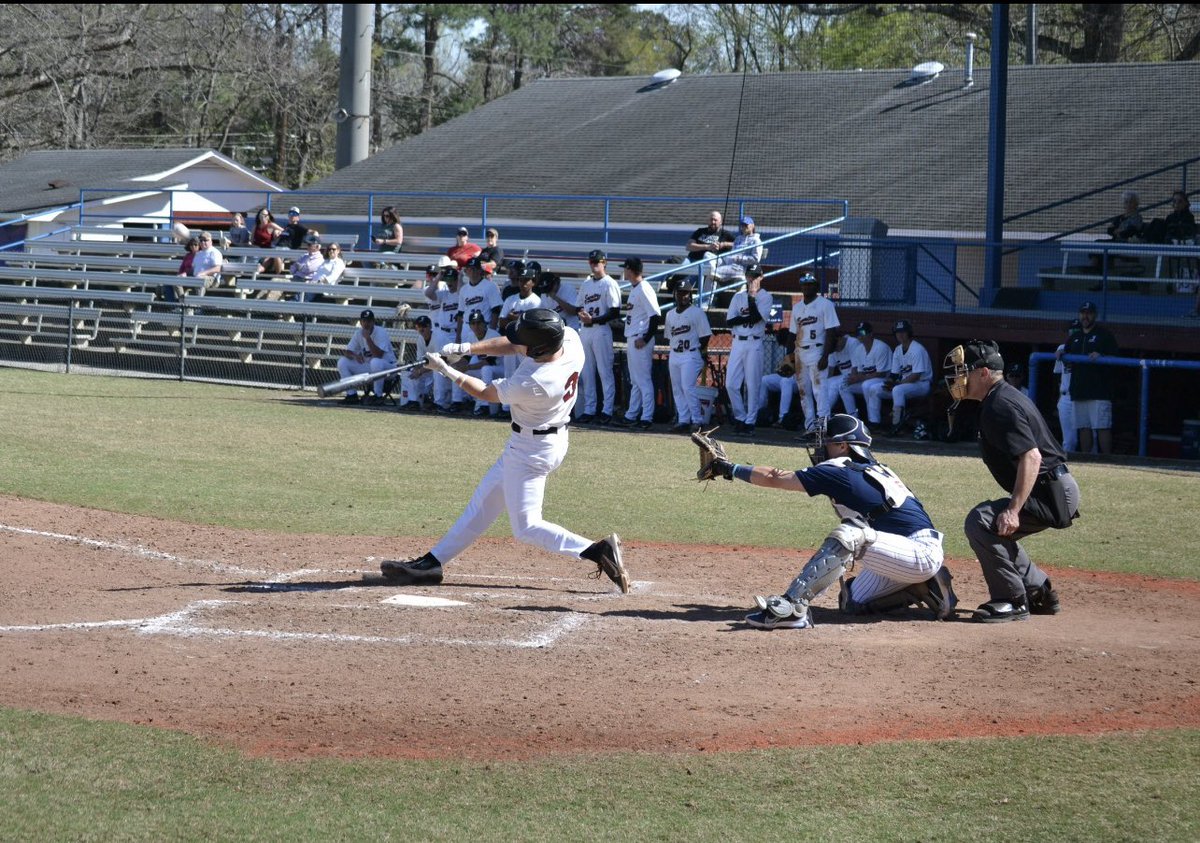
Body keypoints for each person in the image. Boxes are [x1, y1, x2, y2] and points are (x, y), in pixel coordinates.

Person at [380, 308, 631, 595]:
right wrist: (465, 348)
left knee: (527, 527)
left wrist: (445, 370)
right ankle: (432, 562)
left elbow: (485, 392)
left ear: (538, 348)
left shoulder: (536, 382)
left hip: (532, 451)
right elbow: (513, 344)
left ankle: (597, 550)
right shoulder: (569, 338)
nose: (518, 343)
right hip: (539, 441)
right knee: (482, 504)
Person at [696, 414, 955, 630]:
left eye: (827, 442)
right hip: (902, 553)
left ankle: (792, 609)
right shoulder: (875, 469)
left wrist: (729, 468)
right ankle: (925, 585)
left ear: (843, 446)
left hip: (919, 551)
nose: (820, 448)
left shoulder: (839, 469)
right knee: (852, 600)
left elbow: (775, 477)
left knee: (851, 534)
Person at [944, 340, 1079, 623]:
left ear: (984, 373)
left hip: (1051, 491)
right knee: (994, 527)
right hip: (1052, 487)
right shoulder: (999, 398)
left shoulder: (1000, 405)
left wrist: (1014, 509)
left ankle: (1012, 600)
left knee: (981, 522)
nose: (959, 379)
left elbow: (1032, 457)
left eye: (964, 371)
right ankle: (1039, 591)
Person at [1061, 301, 1119, 455]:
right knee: (1083, 427)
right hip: (1079, 391)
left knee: (1102, 427)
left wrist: (1102, 355)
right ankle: (1086, 460)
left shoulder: (1104, 335)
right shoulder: (1075, 337)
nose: (1085, 316)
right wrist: (1061, 353)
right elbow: (1065, 351)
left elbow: (1116, 357)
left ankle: (1107, 461)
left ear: (1095, 315)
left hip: (1099, 391)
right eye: (1083, 313)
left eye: (1089, 313)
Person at [786, 272, 840, 436]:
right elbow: (792, 333)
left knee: (819, 390)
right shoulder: (797, 307)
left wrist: (825, 355)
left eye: (810, 284)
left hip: (817, 350)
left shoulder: (826, 304)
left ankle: (822, 427)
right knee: (804, 392)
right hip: (800, 352)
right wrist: (789, 356)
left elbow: (831, 332)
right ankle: (810, 427)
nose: (807, 287)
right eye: (804, 284)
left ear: (816, 286)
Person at [723, 263, 774, 435]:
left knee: (752, 384)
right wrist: (747, 317)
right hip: (738, 342)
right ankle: (740, 417)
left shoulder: (766, 296)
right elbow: (730, 321)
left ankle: (750, 421)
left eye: (755, 276)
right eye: (750, 276)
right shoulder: (737, 296)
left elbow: (757, 317)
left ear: (761, 277)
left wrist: (752, 297)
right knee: (731, 384)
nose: (752, 279)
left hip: (754, 342)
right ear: (746, 277)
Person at [574, 249, 622, 425]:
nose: (594, 265)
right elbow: (578, 306)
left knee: (604, 371)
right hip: (586, 330)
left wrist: (593, 319)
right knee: (587, 372)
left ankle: (607, 410)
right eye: (592, 262)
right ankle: (589, 409)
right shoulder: (586, 283)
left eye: (597, 262)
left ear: (604, 263)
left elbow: (615, 311)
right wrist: (582, 314)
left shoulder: (610, 283)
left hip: (601, 329)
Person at [613, 257, 661, 430]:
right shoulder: (636, 288)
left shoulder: (644, 288)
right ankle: (631, 415)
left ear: (631, 270)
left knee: (643, 380)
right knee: (635, 380)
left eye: (625, 269)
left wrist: (646, 338)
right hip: (633, 337)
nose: (624, 272)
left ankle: (647, 417)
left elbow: (655, 316)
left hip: (640, 338)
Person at [862, 319, 933, 436]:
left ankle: (897, 425)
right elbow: (894, 375)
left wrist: (897, 384)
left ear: (909, 333)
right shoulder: (898, 350)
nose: (900, 335)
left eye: (903, 332)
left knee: (897, 390)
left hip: (921, 384)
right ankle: (875, 423)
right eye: (898, 332)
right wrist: (889, 383)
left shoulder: (917, 349)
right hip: (905, 384)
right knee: (874, 389)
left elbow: (916, 375)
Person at [664, 278, 712, 433]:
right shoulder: (670, 314)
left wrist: (697, 349)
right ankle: (683, 420)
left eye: (686, 293)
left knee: (687, 387)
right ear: (675, 294)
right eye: (680, 293)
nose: (683, 296)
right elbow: (669, 337)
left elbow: (705, 336)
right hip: (675, 354)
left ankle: (697, 420)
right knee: (677, 388)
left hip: (690, 354)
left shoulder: (697, 312)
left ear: (690, 295)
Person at [336, 309, 398, 406]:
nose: (366, 323)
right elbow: (347, 351)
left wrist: (368, 338)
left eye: (369, 321)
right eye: (364, 321)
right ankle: (352, 395)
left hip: (389, 369)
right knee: (342, 362)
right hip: (370, 367)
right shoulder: (358, 333)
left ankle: (378, 396)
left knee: (375, 362)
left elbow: (378, 355)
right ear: (360, 322)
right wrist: (355, 355)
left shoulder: (381, 332)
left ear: (373, 322)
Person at [424, 261, 461, 413]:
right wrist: (440, 275)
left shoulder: (461, 294)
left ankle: (456, 401)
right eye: (448, 280)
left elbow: (461, 287)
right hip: (442, 333)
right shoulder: (444, 294)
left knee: (456, 367)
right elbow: (428, 293)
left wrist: (459, 275)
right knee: (438, 366)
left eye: (453, 280)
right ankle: (439, 401)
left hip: (456, 333)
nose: (450, 283)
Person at [839, 321, 892, 420]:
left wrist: (859, 378)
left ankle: (873, 420)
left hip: (884, 380)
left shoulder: (881, 347)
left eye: (862, 333)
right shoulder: (858, 349)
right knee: (844, 386)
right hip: (868, 379)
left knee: (866, 385)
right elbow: (860, 371)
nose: (860, 336)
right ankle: (853, 419)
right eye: (858, 333)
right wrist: (853, 378)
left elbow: (881, 373)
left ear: (871, 334)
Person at [457, 309, 502, 417]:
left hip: (501, 369)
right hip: (486, 370)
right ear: (470, 325)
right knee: (458, 372)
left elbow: (490, 361)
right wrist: (456, 366)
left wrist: (468, 367)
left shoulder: (493, 335)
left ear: (484, 324)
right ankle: (460, 402)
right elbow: (466, 357)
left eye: (478, 323)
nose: (476, 326)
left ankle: (484, 405)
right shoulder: (470, 336)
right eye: (473, 323)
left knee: (485, 369)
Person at [457, 255, 504, 346]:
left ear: (480, 270)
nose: (472, 271)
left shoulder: (490, 286)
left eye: (474, 269)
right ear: (466, 271)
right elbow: (460, 314)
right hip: (467, 327)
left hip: (483, 327)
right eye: (470, 269)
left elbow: (496, 310)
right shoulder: (463, 289)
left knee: (484, 354)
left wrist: (492, 331)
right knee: (466, 354)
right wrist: (458, 335)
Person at [1052, 320, 1081, 452]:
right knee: (1069, 441)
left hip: (1082, 397)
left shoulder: (1085, 348)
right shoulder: (1062, 348)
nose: (1073, 334)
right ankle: (1068, 464)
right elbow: (1058, 376)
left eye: (1076, 331)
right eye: (1071, 331)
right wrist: (1059, 400)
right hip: (1066, 397)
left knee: (1090, 437)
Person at [818, 329, 857, 422]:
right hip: (844, 377)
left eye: (835, 347)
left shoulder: (853, 343)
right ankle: (823, 415)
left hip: (858, 375)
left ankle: (853, 418)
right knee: (828, 382)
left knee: (838, 384)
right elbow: (830, 373)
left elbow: (856, 369)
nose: (835, 349)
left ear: (839, 338)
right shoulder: (833, 348)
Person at [398, 315, 434, 410]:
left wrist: (420, 371)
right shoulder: (420, 339)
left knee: (426, 373)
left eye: (424, 326)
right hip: (429, 368)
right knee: (411, 372)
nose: (421, 329)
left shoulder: (438, 338)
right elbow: (420, 360)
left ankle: (438, 403)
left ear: (430, 326)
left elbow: (440, 362)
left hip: (443, 369)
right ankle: (413, 401)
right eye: (418, 327)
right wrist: (416, 369)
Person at [713, 216, 764, 282]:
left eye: (746, 225)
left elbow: (755, 259)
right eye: (742, 225)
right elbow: (733, 253)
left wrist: (739, 258)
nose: (743, 227)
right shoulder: (738, 238)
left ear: (752, 226)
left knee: (713, 272)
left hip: (741, 268)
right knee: (708, 259)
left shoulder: (756, 240)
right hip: (729, 264)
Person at [758, 352, 800, 428]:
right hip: (788, 374)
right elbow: (788, 359)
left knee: (786, 381)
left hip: (800, 376)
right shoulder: (789, 348)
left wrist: (792, 365)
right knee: (764, 380)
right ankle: (759, 414)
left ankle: (782, 418)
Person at [251, 208, 285, 275]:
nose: (263, 216)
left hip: (268, 251)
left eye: (265, 215)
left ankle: (258, 272)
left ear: (268, 216)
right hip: (257, 251)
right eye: (261, 214)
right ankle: (254, 272)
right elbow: (251, 241)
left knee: (271, 258)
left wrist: (278, 231)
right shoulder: (255, 227)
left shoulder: (271, 225)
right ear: (258, 216)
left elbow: (285, 232)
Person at [166, 236, 200, 303]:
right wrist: (179, 275)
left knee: (177, 283)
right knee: (167, 285)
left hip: (194, 278)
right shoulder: (187, 255)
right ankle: (173, 304)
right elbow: (182, 268)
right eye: (191, 245)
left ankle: (182, 303)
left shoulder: (201, 255)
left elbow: (197, 268)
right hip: (184, 278)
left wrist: (186, 273)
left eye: (195, 244)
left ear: (199, 246)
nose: (193, 246)